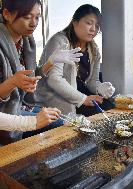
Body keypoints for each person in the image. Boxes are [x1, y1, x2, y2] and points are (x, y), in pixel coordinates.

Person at [0, 0, 82, 144]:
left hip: (21, 104)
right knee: (59, 127)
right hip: (6, 112)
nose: (34, 23)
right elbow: (15, 83)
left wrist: (50, 62)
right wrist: (13, 82)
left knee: (63, 119)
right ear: (7, 14)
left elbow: (29, 77)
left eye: (37, 17)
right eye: (27, 17)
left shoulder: (26, 43)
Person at [35, 4, 115, 117]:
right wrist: (83, 99)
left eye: (97, 26)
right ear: (75, 22)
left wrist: (100, 88)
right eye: (89, 23)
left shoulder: (94, 49)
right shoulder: (59, 41)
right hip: (58, 98)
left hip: (79, 94)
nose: (93, 29)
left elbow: (92, 81)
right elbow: (54, 79)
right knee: (98, 114)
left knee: (110, 105)